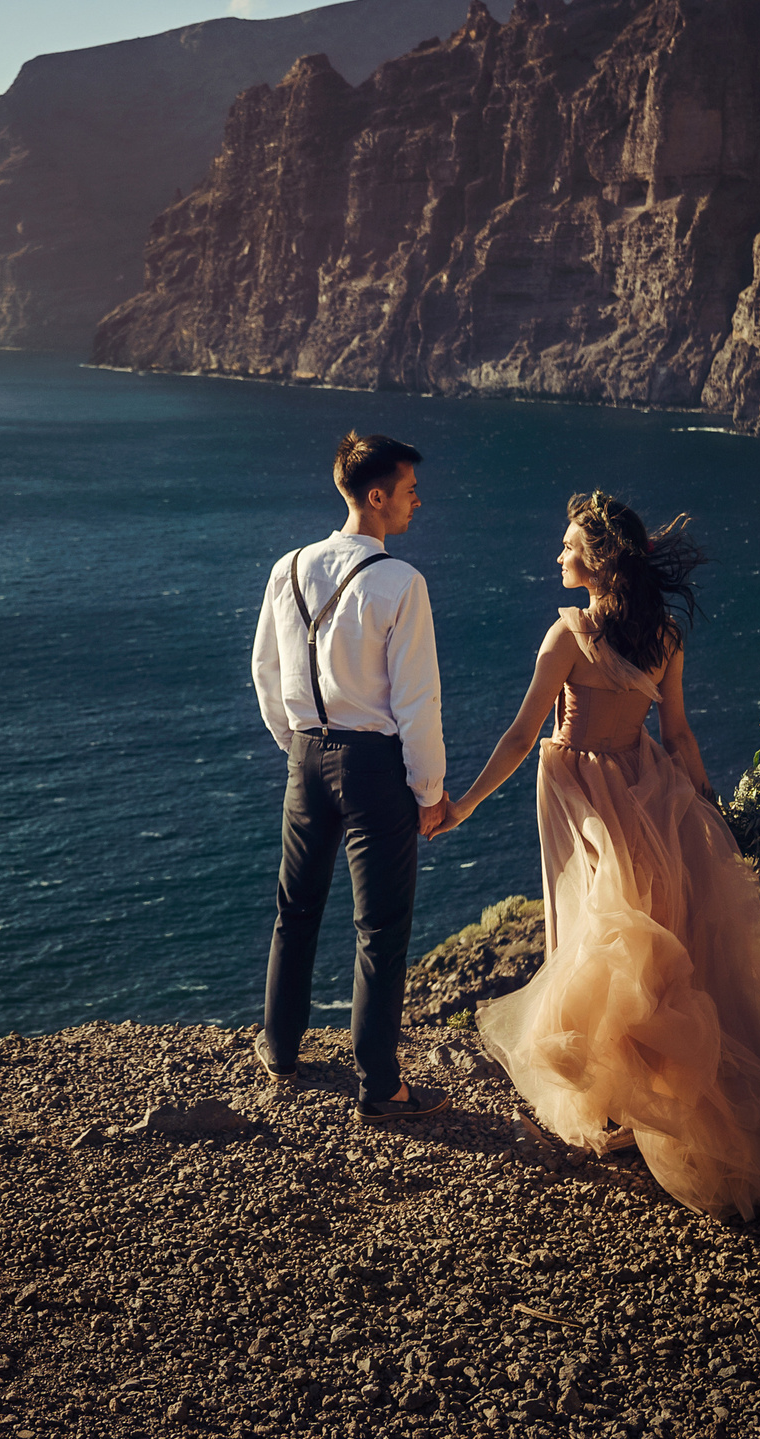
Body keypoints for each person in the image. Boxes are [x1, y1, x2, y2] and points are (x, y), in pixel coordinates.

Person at [435, 492, 760, 1234]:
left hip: (584, 791)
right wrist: (710, 813)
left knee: (600, 937)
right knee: (653, 942)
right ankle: (634, 1102)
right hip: (650, 790)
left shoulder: (565, 635)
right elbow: (681, 734)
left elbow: (518, 734)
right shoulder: (663, 634)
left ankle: (619, 1106)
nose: (557, 557)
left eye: (568, 547)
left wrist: (464, 805)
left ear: (597, 563)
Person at [249, 431, 453, 1122]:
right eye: (409, 490)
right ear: (377, 496)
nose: (417, 501)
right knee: (380, 927)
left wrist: (297, 744)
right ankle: (380, 1085)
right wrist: (430, 792)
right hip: (374, 768)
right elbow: (417, 701)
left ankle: (279, 1050)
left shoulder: (289, 566)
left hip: (306, 757)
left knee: (294, 909)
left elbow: (266, 673)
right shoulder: (402, 583)